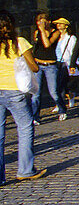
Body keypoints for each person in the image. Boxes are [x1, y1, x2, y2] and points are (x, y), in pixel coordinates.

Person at [0, 11, 45, 183]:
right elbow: (34, 67)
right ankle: (25, 170)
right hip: (14, 90)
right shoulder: (19, 42)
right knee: (25, 128)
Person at [29, 13, 61, 125]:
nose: (41, 24)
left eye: (43, 21)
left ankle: (62, 109)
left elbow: (47, 45)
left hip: (50, 65)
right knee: (36, 93)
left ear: (48, 22)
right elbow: (36, 47)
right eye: (39, 22)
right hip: (39, 64)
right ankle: (35, 117)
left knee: (53, 91)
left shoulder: (55, 32)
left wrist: (43, 31)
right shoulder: (36, 33)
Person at [54, 18, 78, 120]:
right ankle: (59, 103)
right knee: (57, 85)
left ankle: (63, 102)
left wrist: (73, 64)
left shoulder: (71, 38)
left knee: (61, 85)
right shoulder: (55, 36)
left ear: (66, 26)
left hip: (65, 62)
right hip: (56, 62)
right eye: (57, 24)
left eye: (61, 24)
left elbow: (73, 51)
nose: (58, 25)